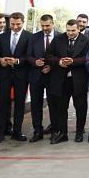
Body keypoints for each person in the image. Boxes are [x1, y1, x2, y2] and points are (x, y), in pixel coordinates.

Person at [47, 19, 89, 144]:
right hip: (61, 80)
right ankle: (63, 134)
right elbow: (49, 55)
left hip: (79, 80)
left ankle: (79, 132)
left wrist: (73, 61)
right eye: (68, 30)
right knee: (61, 107)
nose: (70, 33)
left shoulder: (86, 40)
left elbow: (88, 58)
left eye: (73, 30)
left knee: (80, 107)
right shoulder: (58, 39)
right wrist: (59, 61)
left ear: (79, 29)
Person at [0, 12, 32, 143]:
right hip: (4, 74)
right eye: (12, 24)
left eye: (18, 24)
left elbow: (29, 55)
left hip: (21, 75)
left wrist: (17, 61)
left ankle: (17, 132)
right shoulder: (2, 36)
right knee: (1, 103)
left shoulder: (29, 37)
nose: (15, 27)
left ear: (23, 22)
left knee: (20, 104)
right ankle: (0, 133)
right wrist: (1, 60)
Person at [26, 14, 56, 142]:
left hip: (53, 76)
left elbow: (62, 56)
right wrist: (35, 62)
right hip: (36, 76)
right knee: (35, 105)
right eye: (42, 26)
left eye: (47, 25)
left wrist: (51, 67)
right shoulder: (34, 37)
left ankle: (55, 130)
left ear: (53, 23)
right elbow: (28, 55)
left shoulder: (60, 37)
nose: (45, 28)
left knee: (54, 104)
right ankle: (37, 131)